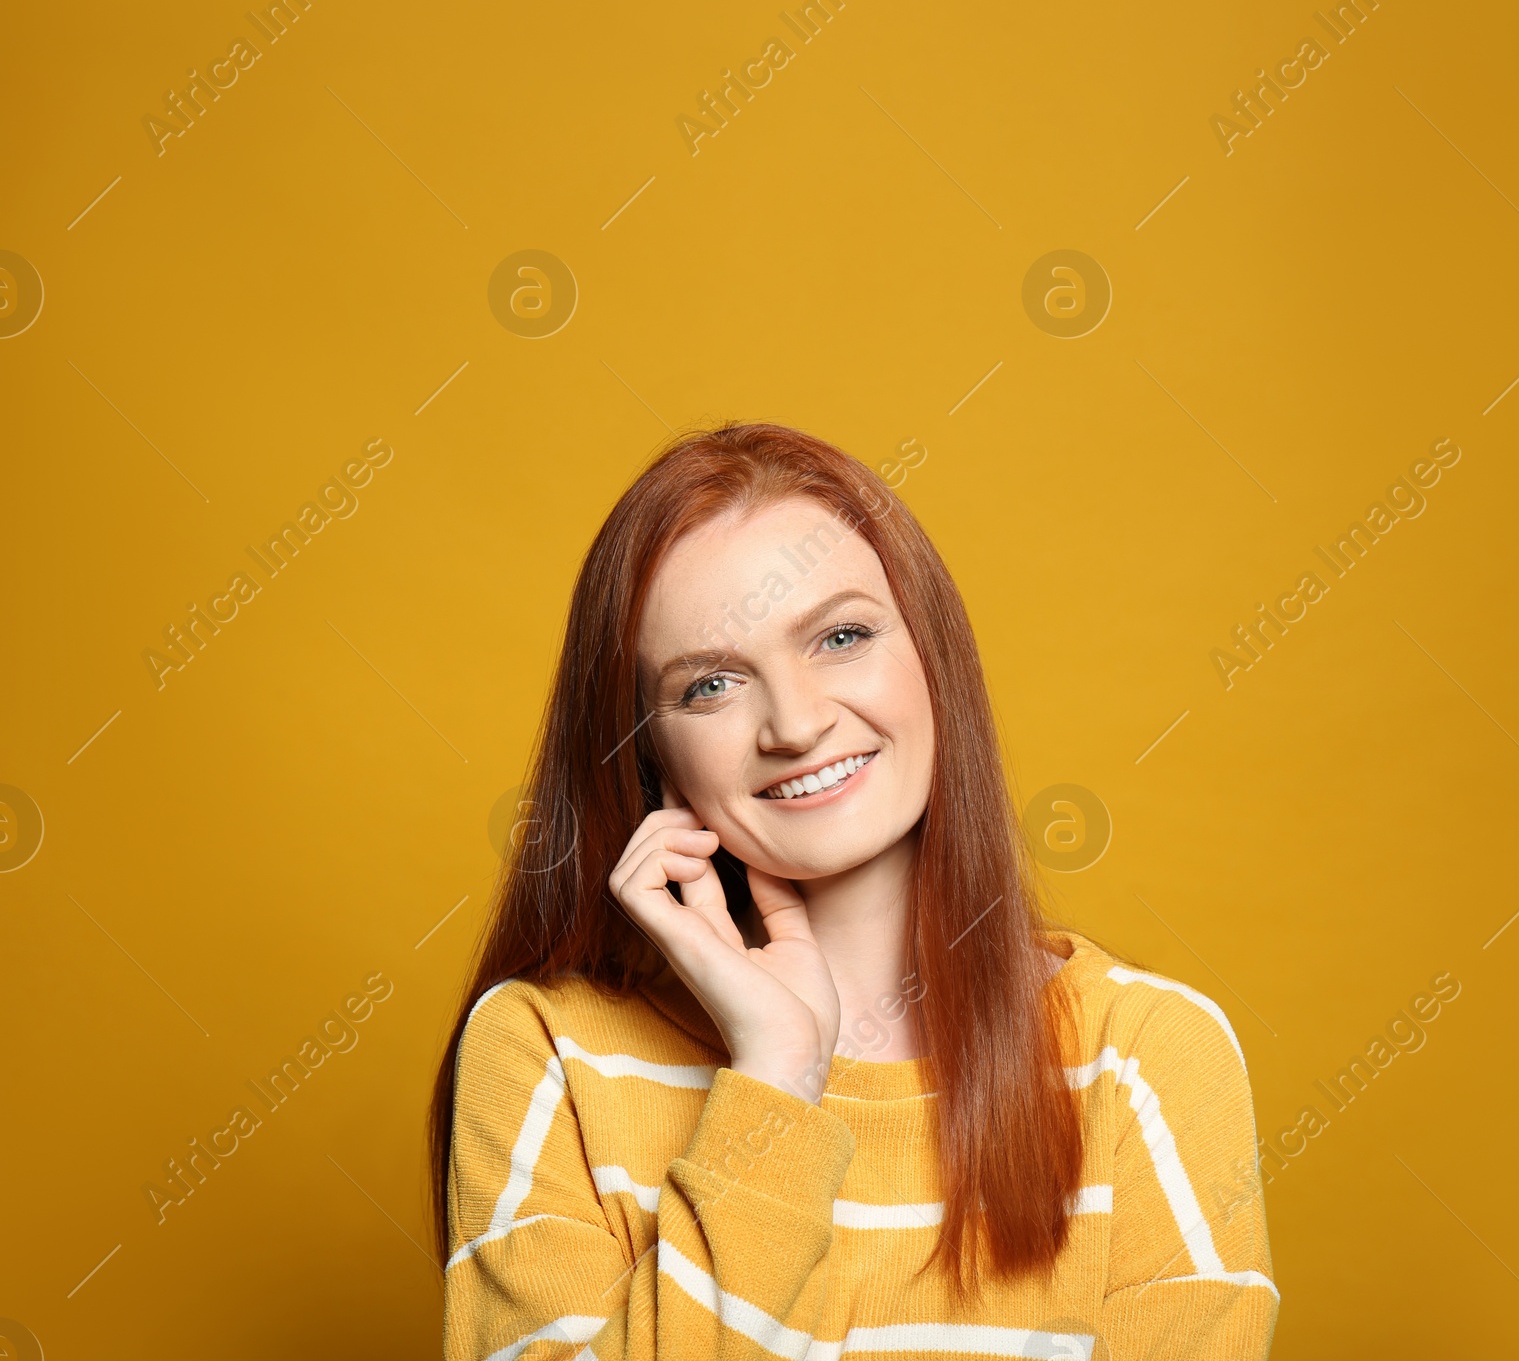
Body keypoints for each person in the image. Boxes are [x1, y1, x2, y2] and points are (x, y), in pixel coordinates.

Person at [431, 422, 1277, 1360]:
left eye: (841, 636)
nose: (794, 724)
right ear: (645, 751)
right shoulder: (544, 1052)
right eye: (710, 684)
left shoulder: (1145, 1058)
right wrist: (777, 1076)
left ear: (931, 654)